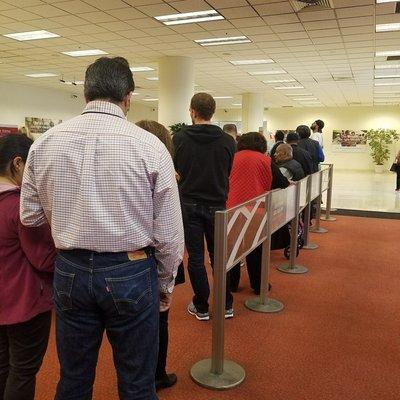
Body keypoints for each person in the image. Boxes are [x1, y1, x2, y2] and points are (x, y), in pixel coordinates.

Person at [20, 56, 184, 400]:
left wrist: (70, 216)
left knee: (74, 379)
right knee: (137, 382)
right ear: (128, 97)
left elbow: (30, 217)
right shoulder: (150, 146)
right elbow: (169, 235)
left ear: (85, 93)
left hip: (70, 270)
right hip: (131, 269)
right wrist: (165, 283)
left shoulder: (45, 143)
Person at [0, 134, 56, 400]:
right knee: (23, 370)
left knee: (3, 366)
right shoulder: (18, 208)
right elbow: (43, 258)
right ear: (18, 164)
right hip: (25, 302)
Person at [173, 92, 236, 321]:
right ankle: (226, 303)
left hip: (189, 205)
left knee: (196, 258)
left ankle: (201, 306)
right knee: (220, 257)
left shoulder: (178, 139)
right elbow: (227, 172)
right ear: (213, 112)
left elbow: (176, 172)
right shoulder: (228, 141)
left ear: (192, 111)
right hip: (218, 205)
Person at [136, 119, 184, 392]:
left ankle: (150, 374)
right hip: (158, 258)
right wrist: (167, 279)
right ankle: (156, 374)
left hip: (134, 258)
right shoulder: (169, 178)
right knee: (159, 320)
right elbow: (170, 232)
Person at [227, 132, 272, 294]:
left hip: (232, 208)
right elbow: (273, 183)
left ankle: (232, 284)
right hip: (256, 209)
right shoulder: (265, 159)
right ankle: (258, 285)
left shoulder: (232, 157)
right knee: (255, 248)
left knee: (233, 247)